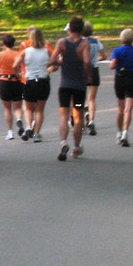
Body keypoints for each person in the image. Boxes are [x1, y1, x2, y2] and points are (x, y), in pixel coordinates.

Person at [49, 16, 92, 160]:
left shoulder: (62, 42)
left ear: (70, 28)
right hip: (79, 87)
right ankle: (76, 147)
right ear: (81, 29)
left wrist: (59, 63)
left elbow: (53, 60)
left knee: (64, 115)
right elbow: (86, 61)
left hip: (64, 86)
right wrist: (87, 75)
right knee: (78, 116)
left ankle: (63, 142)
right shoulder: (84, 44)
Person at [13, 26, 55, 143]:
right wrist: (49, 69)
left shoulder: (26, 52)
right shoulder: (46, 51)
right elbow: (55, 64)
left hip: (30, 80)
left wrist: (19, 74)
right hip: (43, 80)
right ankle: (36, 133)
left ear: (30, 38)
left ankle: (28, 127)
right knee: (40, 110)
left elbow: (15, 65)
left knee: (28, 108)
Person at [109, 28, 133, 147]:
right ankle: (125, 132)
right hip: (132, 79)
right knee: (128, 109)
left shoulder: (117, 51)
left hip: (120, 79)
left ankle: (119, 132)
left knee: (120, 108)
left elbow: (112, 65)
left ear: (121, 39)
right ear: (132, 39)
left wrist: (116, 63)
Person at [0, 34, 23, 140]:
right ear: (13, 44)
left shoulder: (0, 54)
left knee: (7, 108)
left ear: (4, 43)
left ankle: (10, 132)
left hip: (4, 81)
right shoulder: (18, 54)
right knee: (17, 107)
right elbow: (20, 68)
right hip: (16, 81)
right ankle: (19, 119)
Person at [82, 21, 106, 136]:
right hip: (94, 69)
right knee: (91, 98)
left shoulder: (80, 42)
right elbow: (104, 56)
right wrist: (97, 59)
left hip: (81, 69)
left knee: (80, 97)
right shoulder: (96, 42)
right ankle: (91, 120)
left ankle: (80, 121)